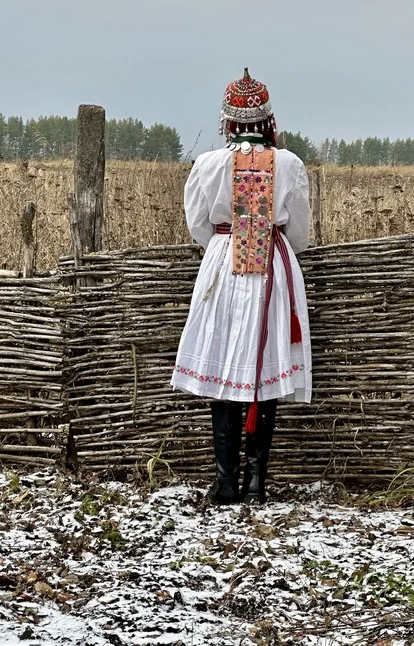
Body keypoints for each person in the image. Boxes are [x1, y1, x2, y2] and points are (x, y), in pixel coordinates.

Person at [171, 68, 312, 505]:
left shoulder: (208, 164)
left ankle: (225, 482)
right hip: (272, 263)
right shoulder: (288, 164)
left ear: (227, 121)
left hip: (222, 263)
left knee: (223, 367)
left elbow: (197, 225)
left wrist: (222, 242)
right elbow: (301, 233)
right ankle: (255, 483)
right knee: (264, 366)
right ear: (268, 120)